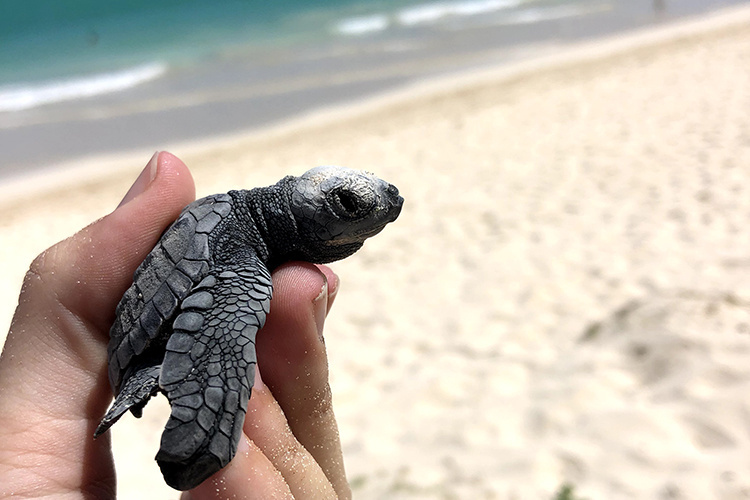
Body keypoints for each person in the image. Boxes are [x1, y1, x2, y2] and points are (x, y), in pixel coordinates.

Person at [0, 152, 351, 499]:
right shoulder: (240, 250)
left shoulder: (250, 236)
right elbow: (222, 322)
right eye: (350, 205)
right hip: (146, 341)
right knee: (239, 307)